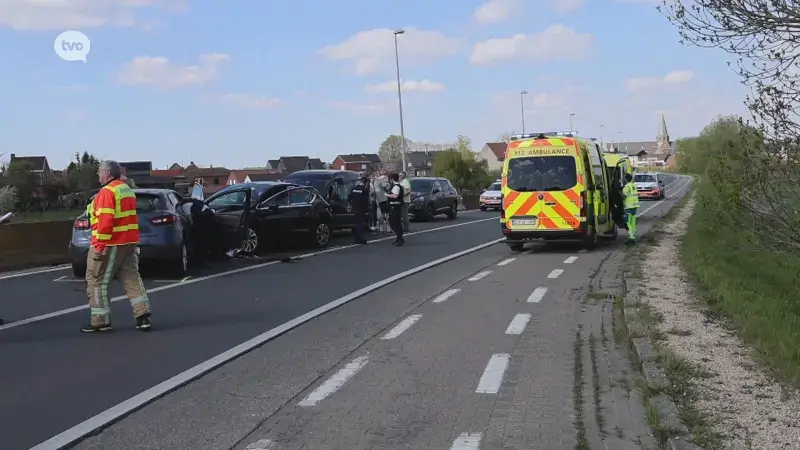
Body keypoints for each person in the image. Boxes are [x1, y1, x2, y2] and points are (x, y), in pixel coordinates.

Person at [82, 160, 152, 333]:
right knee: (131, 278)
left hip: (111, 242)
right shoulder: (126, 189)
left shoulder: (107, 192)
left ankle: (100, 320)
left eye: (100, 171)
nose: (98, 174)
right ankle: (143, 316)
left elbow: (105, 222)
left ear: (108, 173)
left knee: (96, 280)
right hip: (128, 241)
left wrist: (99, 246)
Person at [348, 174, 371, 244]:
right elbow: (366, 200)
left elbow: (349, 197)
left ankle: (356, 238)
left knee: (357, 223)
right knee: (360, 224)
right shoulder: (365, 190)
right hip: (361, 209)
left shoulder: (354, 188)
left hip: (354, 208)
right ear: (365, 183)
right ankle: (360, 238)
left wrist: (349, 205)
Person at [385, 173, 405, 246]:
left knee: (394, 223)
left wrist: (387, 195)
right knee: (397, 222)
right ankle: (398, 238)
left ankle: (400, 238)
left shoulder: (396, 187)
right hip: (397, 206)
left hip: (395, 206)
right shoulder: (399, 186)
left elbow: (395, 196)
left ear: (392, 179)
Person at [621, 173, 640, 244]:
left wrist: (620, 191)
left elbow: (623, 196)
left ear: (626, 179)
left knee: (627, 223)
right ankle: (633, 236)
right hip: (634, 206)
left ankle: (631, 238)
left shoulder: (626, 187)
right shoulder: (633, 185)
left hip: (628, 206)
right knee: (632, 222)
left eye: (624, 178)